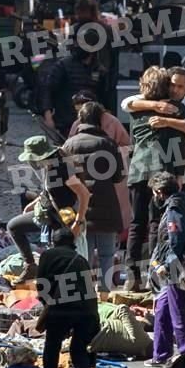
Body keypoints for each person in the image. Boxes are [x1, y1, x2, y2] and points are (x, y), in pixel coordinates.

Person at [125, 67, 185, 290]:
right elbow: (178, 144)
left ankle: (131, 277)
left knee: (136, 224)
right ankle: (155, 274)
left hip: (137, 170)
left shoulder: (136, 110)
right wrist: (179, 174)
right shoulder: (175, 109)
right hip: (160, 173)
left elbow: (129, 104)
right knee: (155, 225)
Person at [8, 136, 91, 282]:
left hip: (63, 219)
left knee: (63, 262)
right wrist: (33, 204)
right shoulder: (48, 166)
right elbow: (48, 191)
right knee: (14, 226)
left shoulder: (62, 168)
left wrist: (78, 222)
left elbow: (84, 194)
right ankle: (30, 265)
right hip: (47, 213)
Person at [63, 102, 125, 292]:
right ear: (100, 120)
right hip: (107, 204)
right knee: (107, 254)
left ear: (80, 119)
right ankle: (106, 293)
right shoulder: (108, 143)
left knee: (84, 254)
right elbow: (118, 176)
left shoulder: (69, 145)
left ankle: (85, 293)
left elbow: (64, 177)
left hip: (81, 206)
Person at [123, 66, 185, 203]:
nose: (175, 90)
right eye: (172, 85)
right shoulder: (160, 100)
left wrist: (166, 121)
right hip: (165, 169)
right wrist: (155, 105)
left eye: (180, 86)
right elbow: (126, 103)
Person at [37, 227, 100, 368]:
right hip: (86, 311)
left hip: (60, 309)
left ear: (54, 242)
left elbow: (41, 286)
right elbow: (90, 289)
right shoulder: (80, 259)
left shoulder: (47, 256)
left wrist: (48, 305)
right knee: (78, 348)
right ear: (72, 243)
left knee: (52, 346)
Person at [146, 171, 185, 365]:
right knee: (162, 309)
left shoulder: (175, 209)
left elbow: (176, 241)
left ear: (160, 192)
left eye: (154, 192)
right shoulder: (180, 204)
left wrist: (166, 265)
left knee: (179, 312)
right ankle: (161, 353)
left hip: (175, 266)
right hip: (171, 264)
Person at [70, 90, 131, 239]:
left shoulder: (112, 122)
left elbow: (126, 145)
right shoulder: (78, 124)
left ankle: (118, 239)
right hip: (104, 178)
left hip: (104, 176)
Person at [43, 0, 107, 137]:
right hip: (65, 123)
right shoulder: (64, 66)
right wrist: (48, 116)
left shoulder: (99, 70)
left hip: (91, 125)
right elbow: (48, 89)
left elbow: (104, 97)